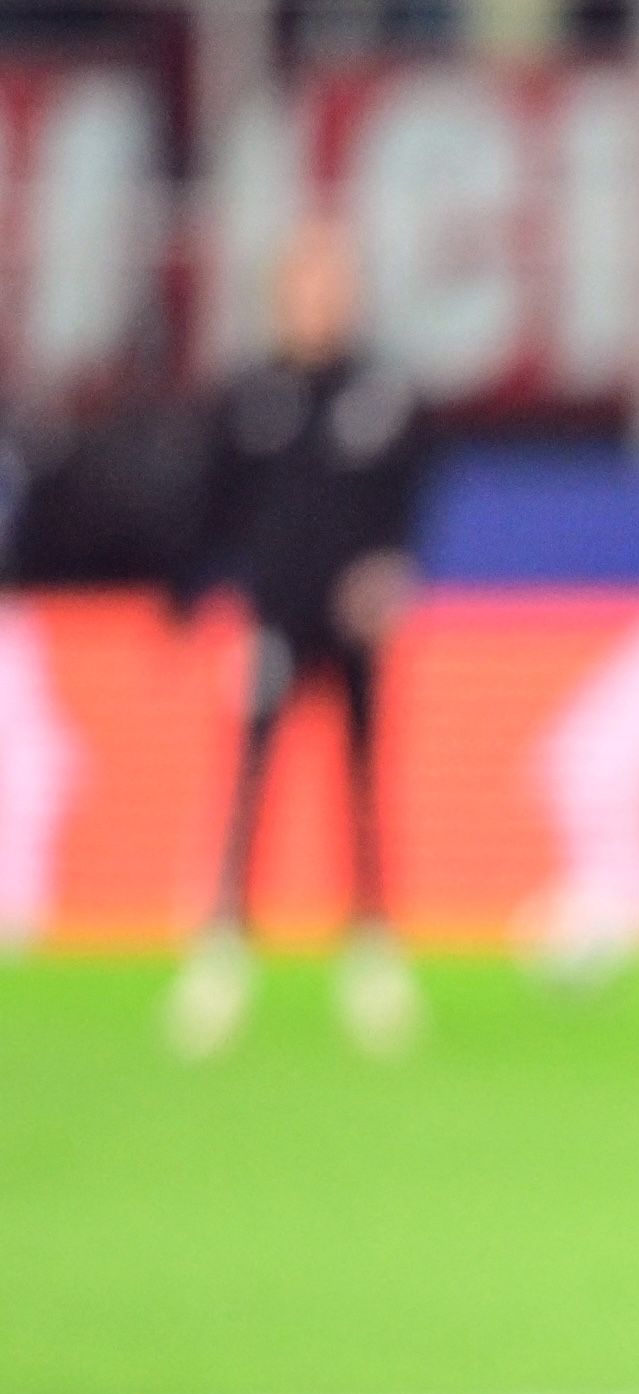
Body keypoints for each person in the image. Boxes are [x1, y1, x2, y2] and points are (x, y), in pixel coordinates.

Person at [168, 219, 432, 1061]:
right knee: (250, 781)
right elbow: (216, 508)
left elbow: (407, 503)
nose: (319, 304)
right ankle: (223, 947)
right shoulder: (252, 399)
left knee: (360, 781)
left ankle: (371, 951)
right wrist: (206, 599)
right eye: (305, 287)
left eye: (333, 287)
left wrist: (390, 571)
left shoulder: (381, 394)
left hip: (350, 627)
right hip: (274, 621)